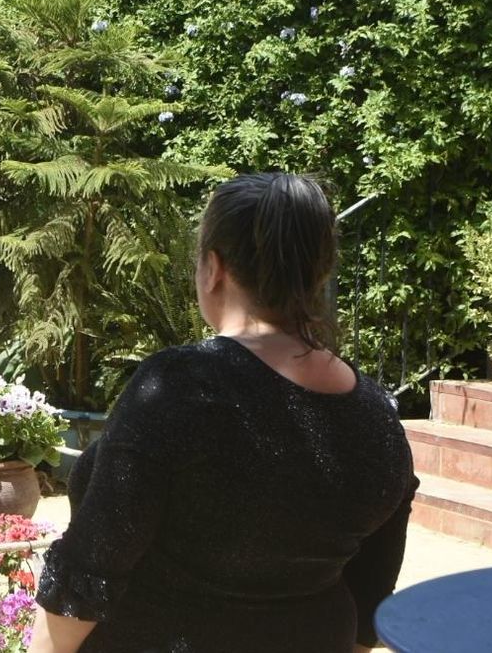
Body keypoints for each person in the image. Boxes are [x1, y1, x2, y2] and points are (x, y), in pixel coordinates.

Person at [31, 172, 417, 653]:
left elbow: (86, 580)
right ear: (318, 274)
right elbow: (370, 602)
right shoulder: (378, 417)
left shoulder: (179, 387)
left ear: (213, 268)